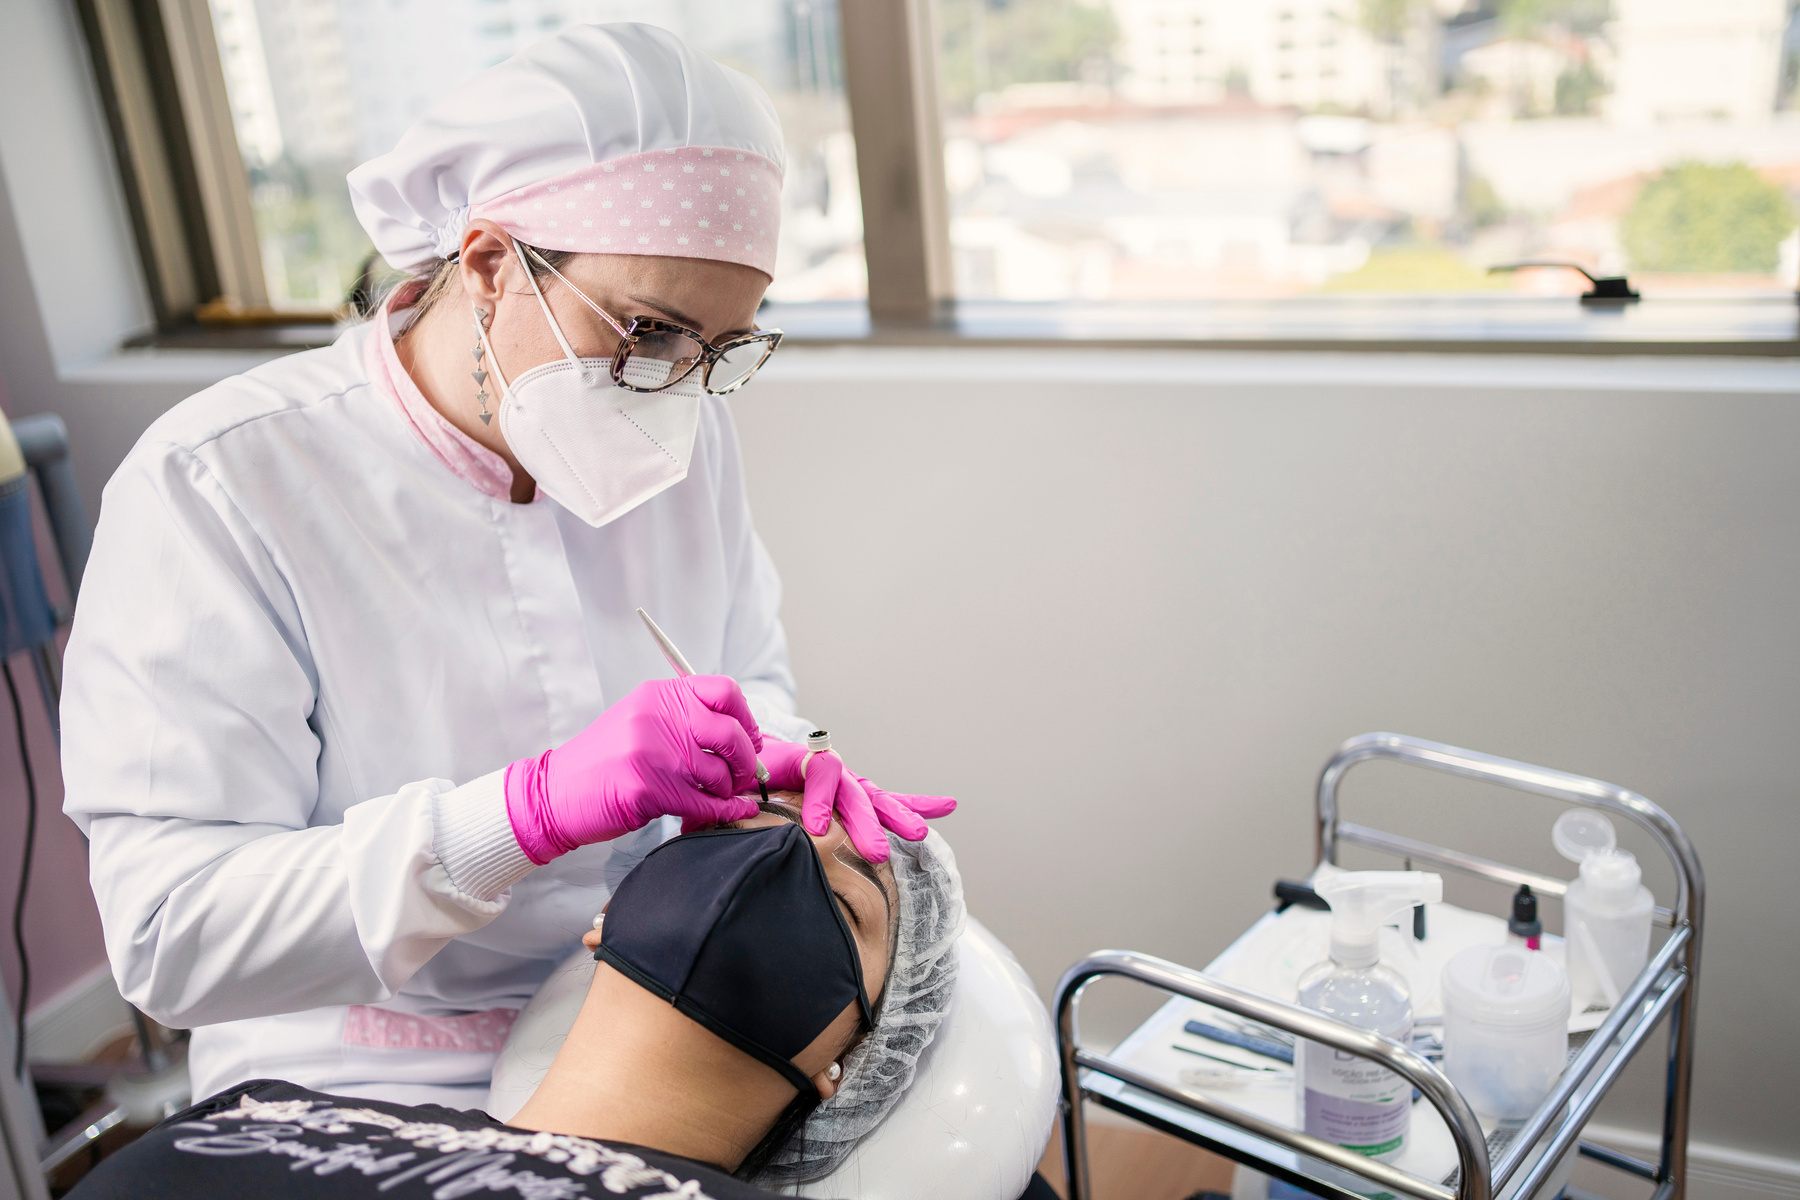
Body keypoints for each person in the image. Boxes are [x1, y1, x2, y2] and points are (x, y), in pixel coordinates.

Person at [59, 23, 954, 1111]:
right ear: (489, 263)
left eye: (720, 350)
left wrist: (769, 752)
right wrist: (520, 816)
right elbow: (172, 935)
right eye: (650, 330)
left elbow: (744, 665)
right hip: (375, 1063)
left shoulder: (674, 425)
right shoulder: (220, 485)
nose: (677, 387)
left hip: (655, 1014)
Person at [66, 798, 966, 1199]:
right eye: (748, 824)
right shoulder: (254, 1121)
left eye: (847, 903)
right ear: (605, 917)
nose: (779, 856)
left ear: (848, 1066)